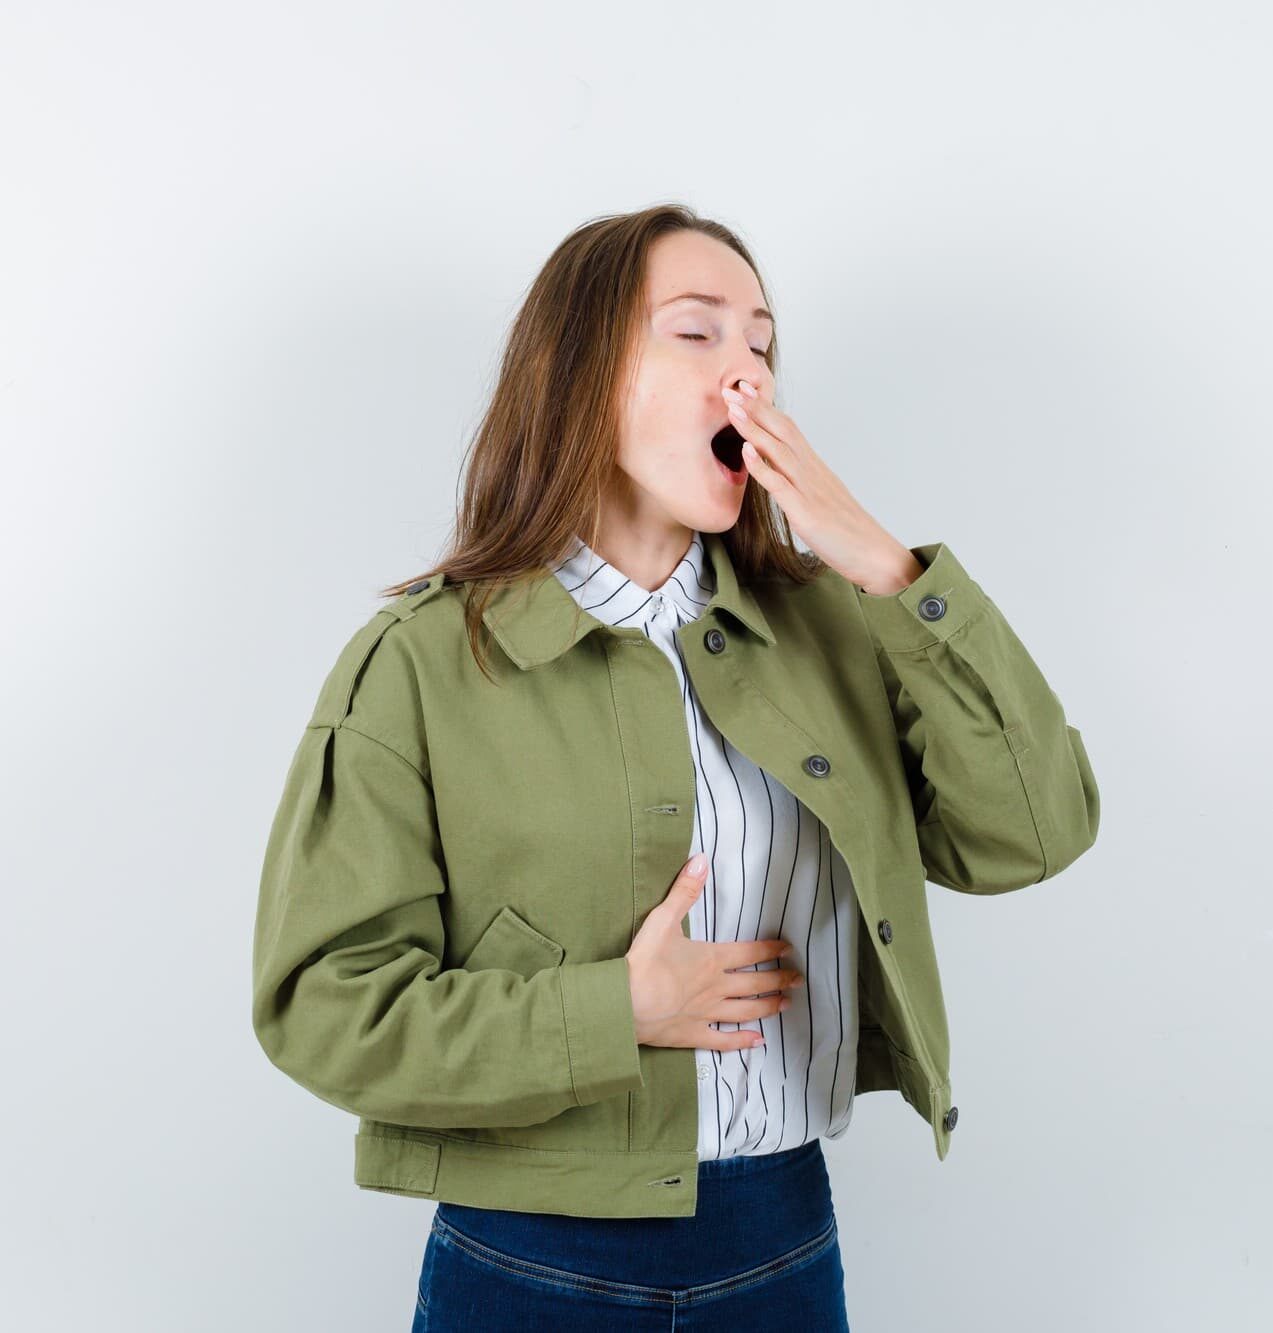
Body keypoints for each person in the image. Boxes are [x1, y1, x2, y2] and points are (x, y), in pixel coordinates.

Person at [251, 205, 1101, 1330]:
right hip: (527, 1266)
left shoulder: (838, 628)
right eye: (698, 334)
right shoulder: (420, 664)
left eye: (761, 343)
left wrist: (890, 573)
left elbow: (1034, 832)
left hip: (784, 1250)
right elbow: (322, 1006)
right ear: (580, 375)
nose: (747, 376)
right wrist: (615, 1009)